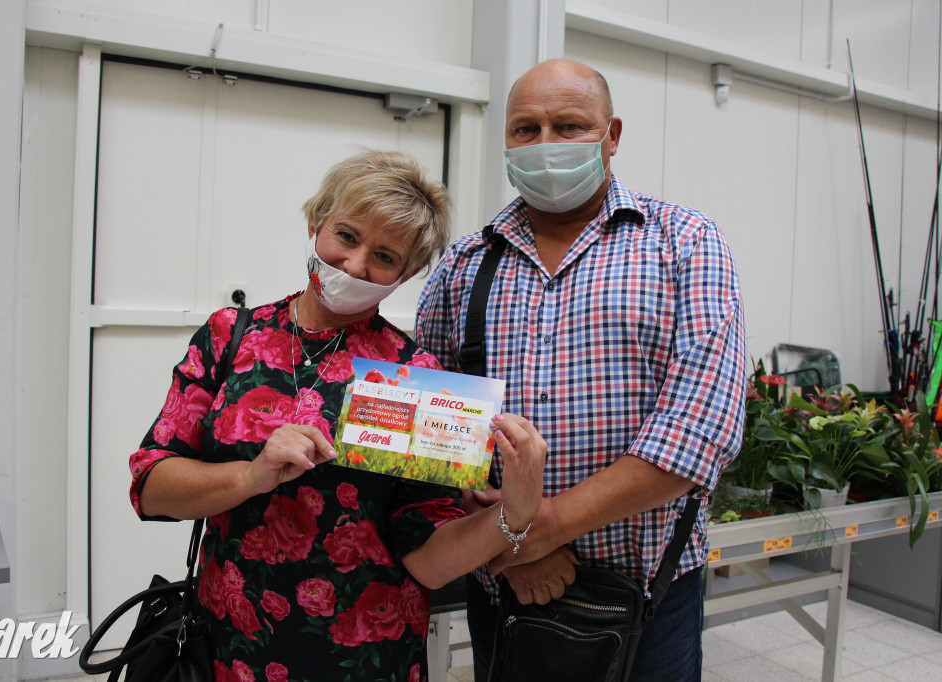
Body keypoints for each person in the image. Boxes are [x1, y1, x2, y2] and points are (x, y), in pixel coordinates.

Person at [128, 149, 546, 682]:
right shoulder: (230, 335)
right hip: (230, 646)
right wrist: (251, 476)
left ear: (409, 272)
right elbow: (151, 487)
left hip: (366, 658)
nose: (355, 265)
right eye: (346, 236)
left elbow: (428, 559)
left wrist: (515, 512)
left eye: (385, 256)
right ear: (315, 222)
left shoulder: (413, 376)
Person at [414, 59, 747, 681]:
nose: (545, 144)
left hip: (648, 592)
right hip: (504, 589)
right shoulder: (466, 263)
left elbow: (700, 431)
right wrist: (504, 542)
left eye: (569, 126)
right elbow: (430, 435)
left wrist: (535, 531)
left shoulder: (684, 243)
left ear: (611, 135)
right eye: (525, 129)